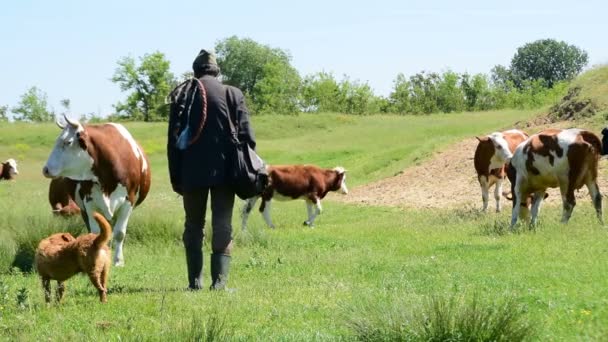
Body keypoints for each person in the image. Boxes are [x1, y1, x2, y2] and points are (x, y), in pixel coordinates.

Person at [167, 49, 256, 290]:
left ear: (195, 71)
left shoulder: (183, 94)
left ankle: (194, 284)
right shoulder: (233, 94)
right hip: (226, 173)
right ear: (217, 71)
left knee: (193, 225)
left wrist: (176, 177)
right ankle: (219, 285)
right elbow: (248, 138)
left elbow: (172, 143)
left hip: (191, 173)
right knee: (223, 224)